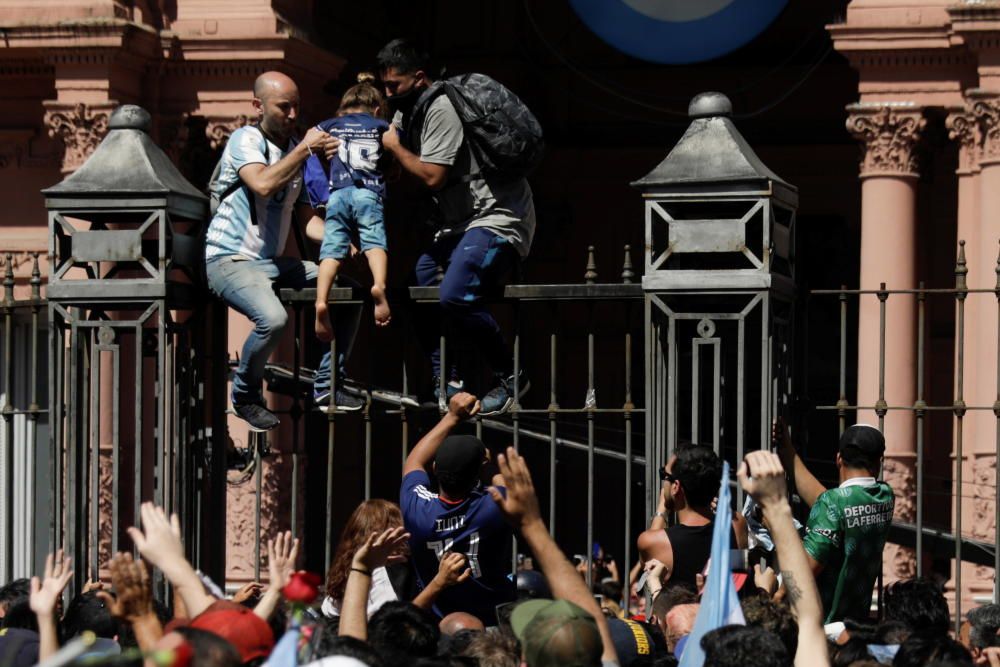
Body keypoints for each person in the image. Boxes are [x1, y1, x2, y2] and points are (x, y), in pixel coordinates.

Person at [376, 39, 536, 415]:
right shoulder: (408, 111)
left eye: (393, 85)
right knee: (421, 281)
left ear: (418, 78)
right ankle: (447, 380)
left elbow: (432, 176)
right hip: (460, 224)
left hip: (497, 216)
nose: (387, 93)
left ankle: (511, 377)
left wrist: (396, 149)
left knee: (454, 294)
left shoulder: (440, 107)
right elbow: (395, 161)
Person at [205, 70, 364, 432]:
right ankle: (245, 395)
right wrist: (305, 148)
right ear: (257, 106)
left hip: (273, 264)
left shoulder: (297, 152)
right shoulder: (245, 139)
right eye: (283, 107)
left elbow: (307, 221)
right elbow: (262, 184)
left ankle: (328, 386)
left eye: (296, 107)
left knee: (349, 293)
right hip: (228, 259)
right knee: (273, 319)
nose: (293, 115)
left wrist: (341, 239)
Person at [398, 392, 515, 624]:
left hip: (437, 620)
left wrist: (451, 417)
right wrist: (487, 468)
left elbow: (414, 462)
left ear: (434, 468)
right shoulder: (491, 508)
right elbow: (507, 487)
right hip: (491, 618)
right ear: (477, 476)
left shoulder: (418, 508)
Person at [774, 420, 895, 623]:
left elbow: (806, 568)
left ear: (838, 458)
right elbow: (834, 505)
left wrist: (777, 596)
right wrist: (788, 451)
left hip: (824, 623)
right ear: (879, 461)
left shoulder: (832, 503)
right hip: (855, 621)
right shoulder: (885, 496)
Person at [308, 75, 393, 340]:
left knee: (331, 250)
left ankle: (321, 300)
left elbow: (309, 139)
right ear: (376, 109)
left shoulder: (332, 124)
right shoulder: (381, 124)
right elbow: (395, 145)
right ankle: (378, 286)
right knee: (374, 242)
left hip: (338, 195)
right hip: (368, 193)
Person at [636, 444, 747, 591]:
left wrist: (661, 510)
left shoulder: (651, 541)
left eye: (665, 475)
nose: (664, 483)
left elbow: (647, 565)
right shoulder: (736, 525)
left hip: (679, 614)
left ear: (676, 486)